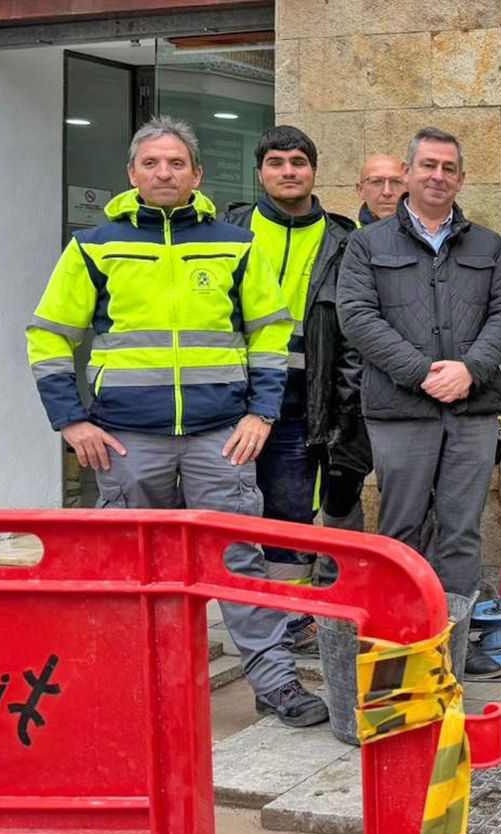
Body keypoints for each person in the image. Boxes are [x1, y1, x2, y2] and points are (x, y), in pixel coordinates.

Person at [26, 116, 327, 726]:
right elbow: (50, 337)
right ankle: (124, 683)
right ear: (132, 173)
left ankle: (275, 683)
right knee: (131, 565)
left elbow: (269, 333)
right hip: (127, 441)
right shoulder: (94, 245)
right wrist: (71, 422)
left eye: (177, 163)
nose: (164, 173)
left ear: (197, 173)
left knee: (240, 560)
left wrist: (263, 413)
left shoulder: (234, 243)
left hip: (220, 435)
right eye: (152, 163)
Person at [337, 126, 501, 678]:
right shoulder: (366, 245)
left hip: (472, 408)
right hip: (401, 411)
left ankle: (455, 642)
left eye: (448, 168)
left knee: (462, 528)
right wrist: (423, 373)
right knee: (401, 527)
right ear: (409, 174)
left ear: (461, 178)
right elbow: (357, 318)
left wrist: (470, 369)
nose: (438, 176)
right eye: (428, 166)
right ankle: (400, 641)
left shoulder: (487, 246)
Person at [223, 126, 361, 655]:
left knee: (289, 511)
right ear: (260, 171)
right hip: (231, 400)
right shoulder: (228, 228)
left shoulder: (341, 239)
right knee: (229, 513)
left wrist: (341, 408)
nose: (288, 171)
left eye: (298, 161)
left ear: (314, 170)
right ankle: (241, 610)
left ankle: (288, 620)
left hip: (304, 400)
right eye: (276, 162)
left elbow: (351, 333)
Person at [354, 154, 404, 226]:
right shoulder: (348, 236)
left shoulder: (423, 234)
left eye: (396, 182)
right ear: (361, 190)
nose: (387, 192)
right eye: (377, 182)